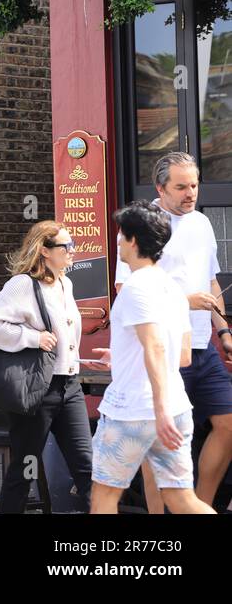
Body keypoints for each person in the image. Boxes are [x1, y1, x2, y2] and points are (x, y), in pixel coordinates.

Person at [113, 152, 232, 511]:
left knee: (227, 425)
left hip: (202, 346)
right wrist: (184, 301)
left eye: (194, 185)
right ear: (160, 188)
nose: (190, 193)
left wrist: (224, 330)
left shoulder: (201, 223)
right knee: (161, 444)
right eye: (181, 187)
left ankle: (200, 506)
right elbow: (127, 288)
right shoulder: (141, 224)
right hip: (163, 349)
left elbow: (210, 283)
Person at [88, 202, 213, 514]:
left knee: (104, 498)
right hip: (176, 410)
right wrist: (122, 356)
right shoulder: (173, 288)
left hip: (133, 412)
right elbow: (181, 356)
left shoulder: (134, 288)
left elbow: (155, 347)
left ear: (133, 241)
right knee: (182, 499)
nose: (117, 242)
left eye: (121, 235)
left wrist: (158, 410)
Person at [0, 221, 93, 513]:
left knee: (88, 468)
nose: (72, 251)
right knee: (24, 470)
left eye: (72, 245)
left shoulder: (66, 283)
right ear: (44, 250)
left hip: (69, 387)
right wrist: (33, 337)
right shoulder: (23, 285)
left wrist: (77, 359)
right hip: (38, 390)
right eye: (65, 247)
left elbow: (64, 335)